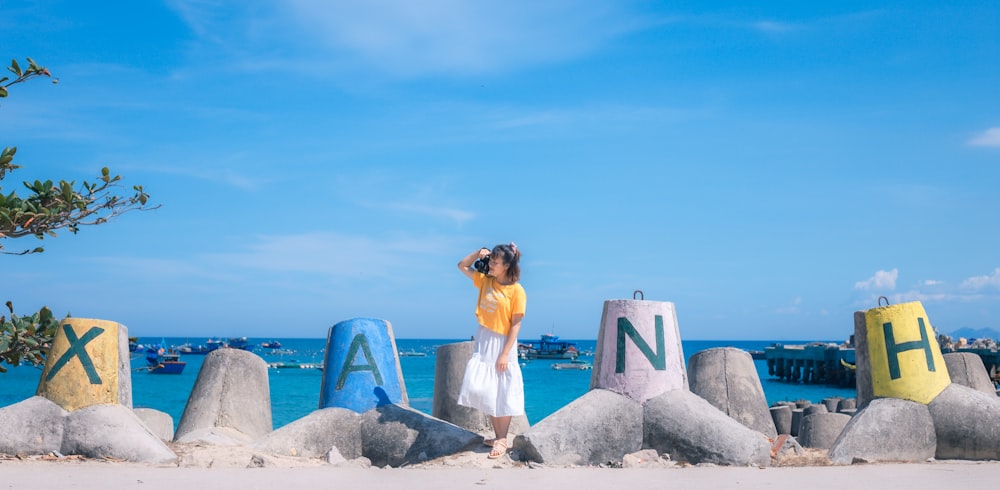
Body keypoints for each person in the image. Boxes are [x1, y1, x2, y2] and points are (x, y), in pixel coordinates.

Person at [456, 243, 526, 459]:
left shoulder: (516, 291)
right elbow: (461, 266)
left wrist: (505, 353)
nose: (491, 265)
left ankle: (503, 439)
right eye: (491, 261)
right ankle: (497, 436)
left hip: (503, 341)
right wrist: (479, 253)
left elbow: (516, 324)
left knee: (502, 388)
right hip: (485, 338)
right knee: (488, 388)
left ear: (506, 265)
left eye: (496, 262)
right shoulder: (486, 281)